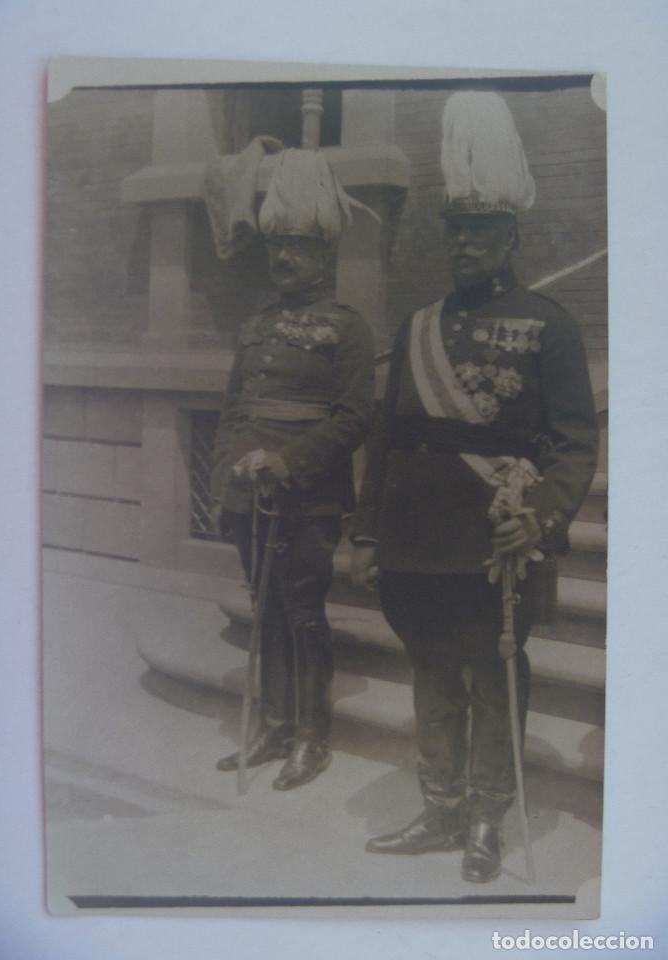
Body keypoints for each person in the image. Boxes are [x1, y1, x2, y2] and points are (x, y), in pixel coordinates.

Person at [351, 92, 599, 881]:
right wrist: (365, 531)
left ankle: (488, 816)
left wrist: (541, 520)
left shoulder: (548, 325)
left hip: (497, 541)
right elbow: (387, 440)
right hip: (418, 537)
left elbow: (573, 443)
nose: (463, 244)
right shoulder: (417, 325)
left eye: (480, 231)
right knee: (430, 672)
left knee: (493, 676)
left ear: (510, 236)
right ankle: (439, 806)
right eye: (455, 231)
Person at [210, 149, 375, 790]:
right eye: (276, 247)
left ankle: (313, 737)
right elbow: (231, 410)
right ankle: (275, 724)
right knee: (265, 608)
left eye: (297, 248)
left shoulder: (347, 329)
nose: (283, 260)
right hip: (250, 494)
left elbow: (355, 417)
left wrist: (289, 462)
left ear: (323, 254)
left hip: (309, 496)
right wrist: (230, 472)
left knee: (303, 610)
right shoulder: (255, 326)